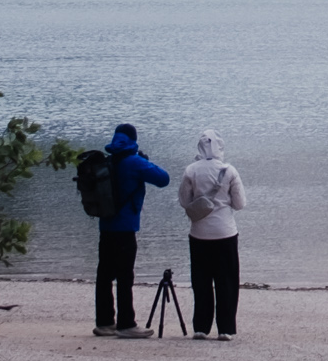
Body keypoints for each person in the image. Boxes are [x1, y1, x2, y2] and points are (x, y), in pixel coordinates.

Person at [92, 123, 169, 337]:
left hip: (105, 226)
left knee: (104, 274)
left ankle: (105, 322)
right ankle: (127, 324)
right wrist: (145, 161)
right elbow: (164, 179)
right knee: (125, 276)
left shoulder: (108, 162)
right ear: (133, 140)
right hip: (125, 229)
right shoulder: (134, 163)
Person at [178, 129, 245, 340]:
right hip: (225, 232)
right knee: (226, 281)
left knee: (201, 281)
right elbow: (240, 203)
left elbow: (183, 201)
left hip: (199, 234)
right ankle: (225, 328)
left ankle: (201, 327)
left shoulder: (191, 170)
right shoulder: (229, 170)